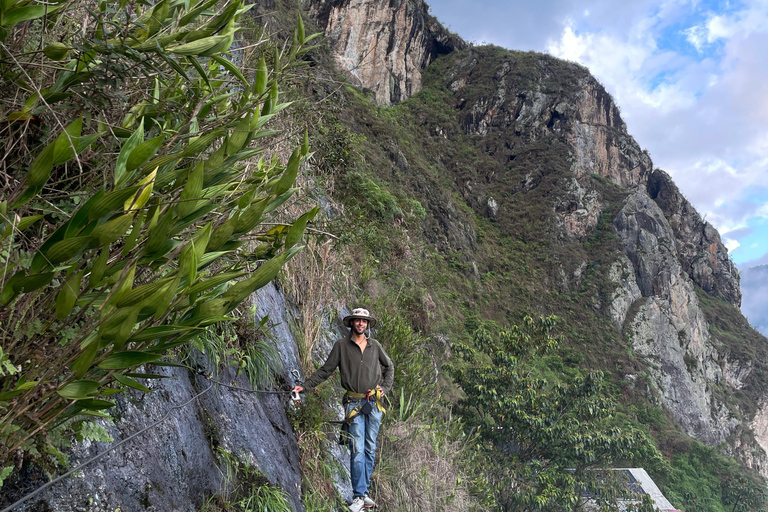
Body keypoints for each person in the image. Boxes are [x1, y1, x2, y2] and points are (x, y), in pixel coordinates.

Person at [292, 307, 394, 512]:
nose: (360, 324)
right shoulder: (341, 346)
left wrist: (386, 388)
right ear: (351, 323)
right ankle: (358, 496)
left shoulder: (375, 346)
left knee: (370, 448)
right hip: (353, 404)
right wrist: (305, 386)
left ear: (367, 325)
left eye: (364, 321)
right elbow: (326, 370)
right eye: (357, 320)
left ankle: (363, 494)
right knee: (356, 448)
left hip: (374, 403)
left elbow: (389, 366)